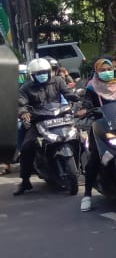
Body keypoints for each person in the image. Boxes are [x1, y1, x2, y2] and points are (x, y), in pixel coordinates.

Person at [79, 57, 116, 212]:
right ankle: (87, 195)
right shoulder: (92, 88)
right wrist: (86, 109)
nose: (107, 72)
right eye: (103, 70)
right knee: (94, 159)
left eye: (109, 69)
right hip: (102, 127)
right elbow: (87, 103)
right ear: (97, 72)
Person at [14, 57, 73, 195]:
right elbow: (21, 103)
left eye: (44, 72)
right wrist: (23, 113)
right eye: (38, 73)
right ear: (32, 75)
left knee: (79, 138)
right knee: (27, 147)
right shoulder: (26, 87)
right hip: (38, 121)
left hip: (60, 118)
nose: (42, 75)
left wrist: (77, 100)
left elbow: (68, 94)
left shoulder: (58, 81)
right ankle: (25, 181)